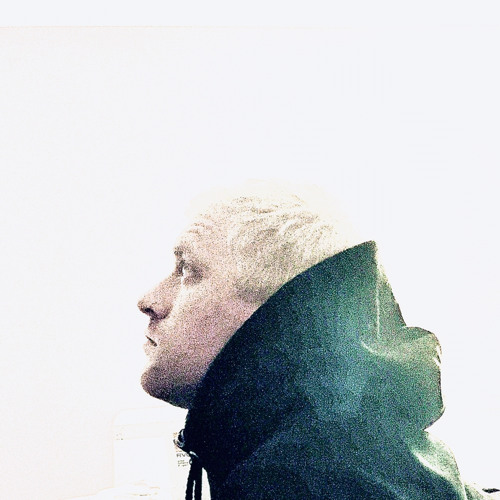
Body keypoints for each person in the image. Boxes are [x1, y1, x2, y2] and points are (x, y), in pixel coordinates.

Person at [138, 183, 499, 500]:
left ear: (278, 309)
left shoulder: (300, 480)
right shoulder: (352, 448)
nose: (149, 300)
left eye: (187, 269)